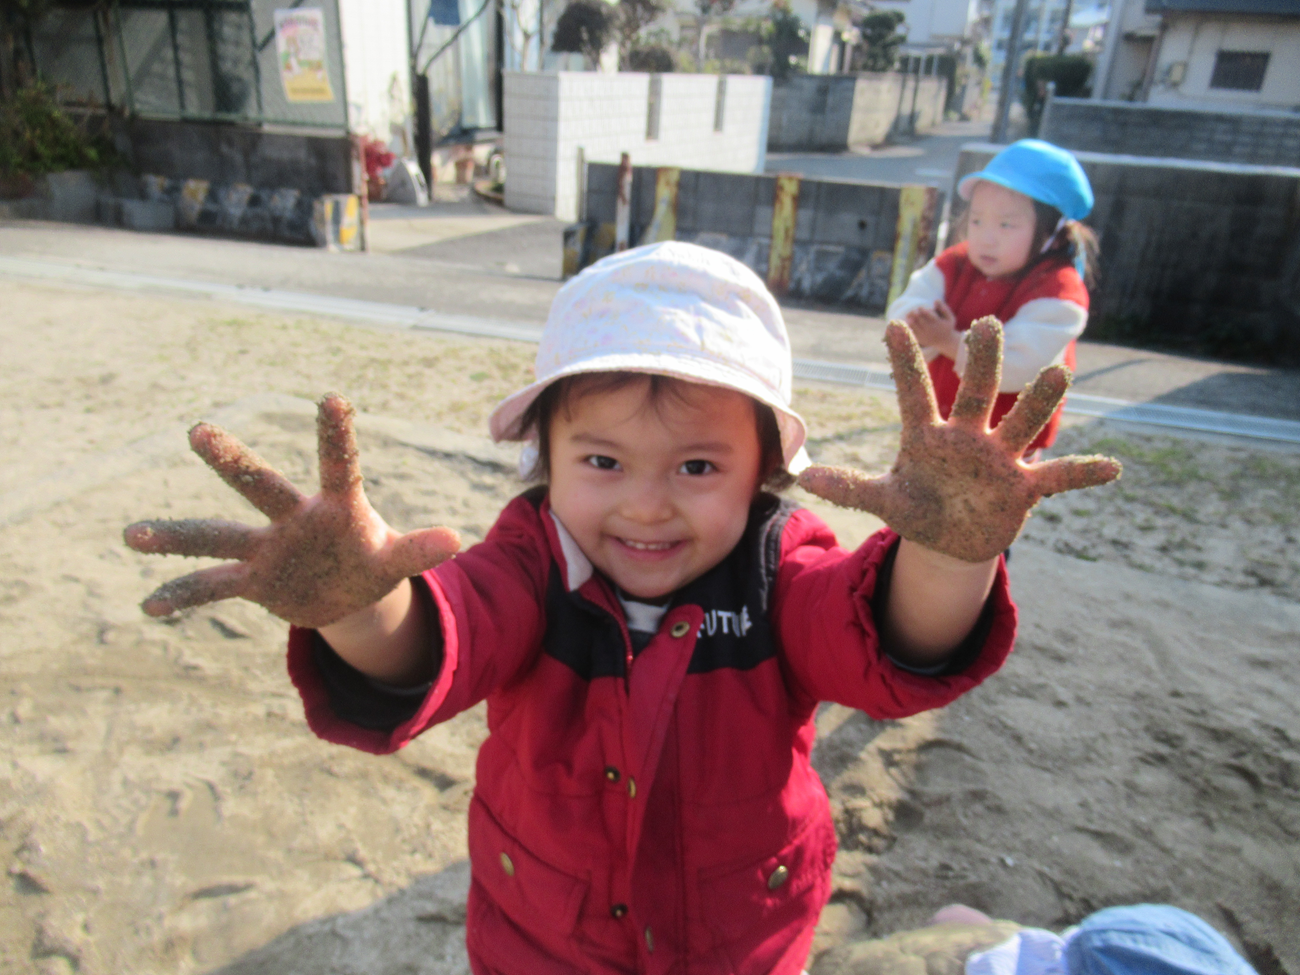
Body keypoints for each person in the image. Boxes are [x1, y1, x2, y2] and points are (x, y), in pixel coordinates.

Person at [124, 242, 1120, 975]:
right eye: (601, 462)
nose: (646, 503)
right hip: (540, 941)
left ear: (763, 475)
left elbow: (884, 646)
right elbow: (445, 638)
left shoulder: (782, 570)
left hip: (738, 941)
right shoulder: (530, 559)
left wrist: (948, 553)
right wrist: (351, 610)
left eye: (697, 466)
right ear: (545, 462)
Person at [888, 139, 1100, 458]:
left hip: (1005, 454)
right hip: (937, 435)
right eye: (976, 220)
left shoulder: (1059, 293)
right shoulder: (955, 263)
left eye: (1006, 224)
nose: (987, 237)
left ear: (1050, 231)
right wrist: (918, 323)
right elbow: (904, 310)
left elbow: (1017, 367)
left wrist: (947, 341)